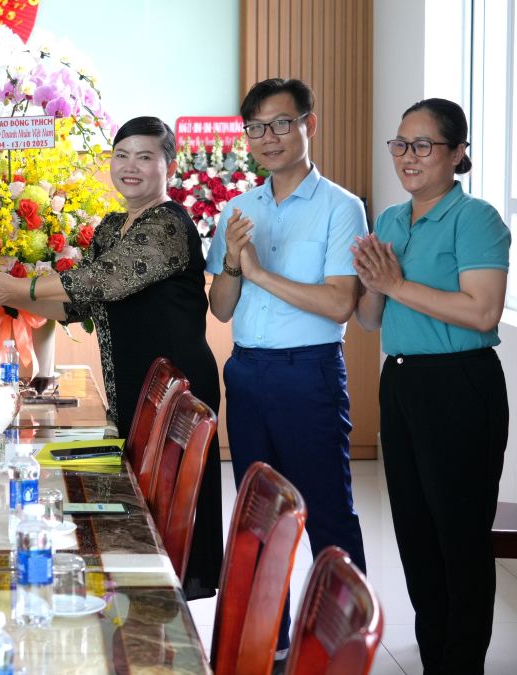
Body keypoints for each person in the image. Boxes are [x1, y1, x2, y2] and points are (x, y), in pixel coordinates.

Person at [0, 117, 223, 599]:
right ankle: (142, 595)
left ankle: (165, 610)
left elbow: (99, 281)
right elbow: (77, 304)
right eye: (122, 155)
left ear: (169, 164)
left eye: (145, 157)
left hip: (176, 382)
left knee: (169, 500)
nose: (130, 167)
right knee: (140, 491)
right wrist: (2, 294)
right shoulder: (112, 225)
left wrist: (13, 286)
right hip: (135, 376)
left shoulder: (167, 224)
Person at [205, 78, 367, 665]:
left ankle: (339, 646)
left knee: (326, 512)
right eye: (255, 128)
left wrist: (258, 270)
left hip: (309, 373)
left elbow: (338, 304)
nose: (267, 138)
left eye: (280, 123)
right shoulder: (238, 209)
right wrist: (231, 262)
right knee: (259, 516)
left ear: (309, 125)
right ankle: (265, 643)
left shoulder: (341, 207)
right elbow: (222, 307)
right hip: (246, 374)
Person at [352, 98, 508, 674]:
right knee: (415, 534)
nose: (408, 157)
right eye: (400, 144)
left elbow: (483, 312)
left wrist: (395, 281)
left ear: (458, 152)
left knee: (459, 536)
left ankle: (460, 663)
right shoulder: (391, 220)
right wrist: (372, 283)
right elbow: (371, 320)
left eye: (423, 145)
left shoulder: (478, 219)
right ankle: (435, 653)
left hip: (460, 387)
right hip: (401, 384)